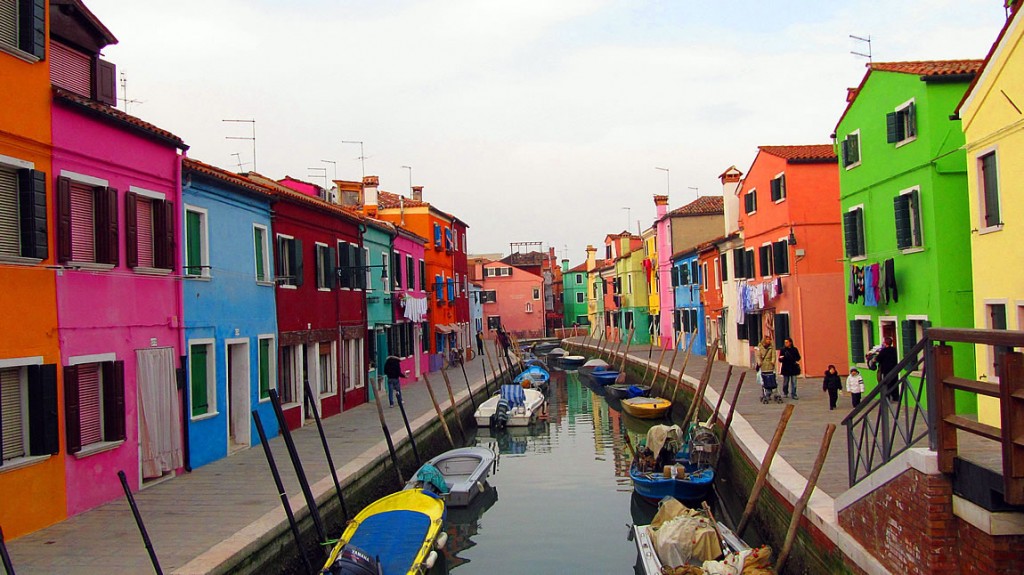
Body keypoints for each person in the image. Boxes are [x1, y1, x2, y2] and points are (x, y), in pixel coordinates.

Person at [875, 337, 899, 402]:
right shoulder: (894, 350)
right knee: (894, 382)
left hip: (886, 369)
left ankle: (887, 397)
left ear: (885, 343)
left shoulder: (883, 351)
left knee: (887, 383)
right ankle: (895, 397)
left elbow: (878, 359)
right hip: (894, 368)